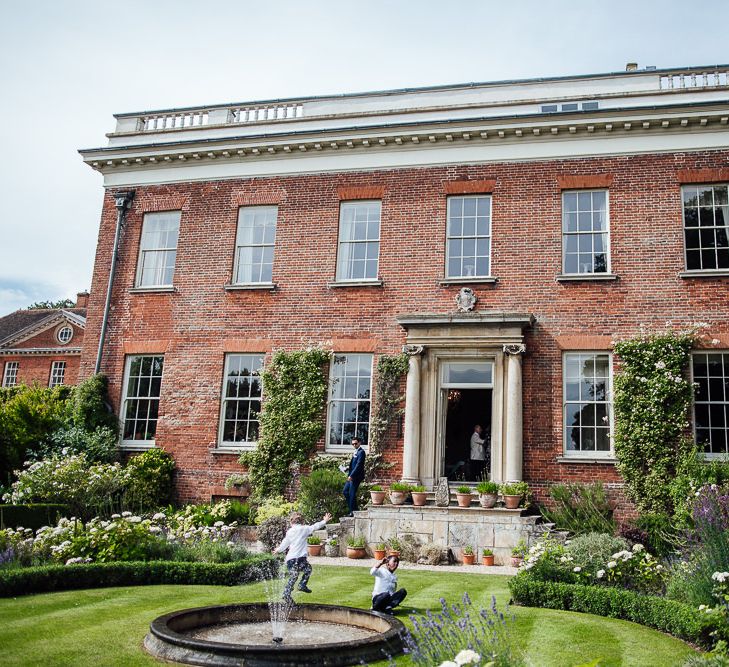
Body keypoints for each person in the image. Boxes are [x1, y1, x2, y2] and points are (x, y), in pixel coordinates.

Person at [274, 511, 332, 602]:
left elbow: (285, 543)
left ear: (291, 522)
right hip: (300, 558)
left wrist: (278, 550)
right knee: (308, 569)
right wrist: (324, 521)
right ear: (302, 522)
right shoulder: (304, 529)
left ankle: (286, 593)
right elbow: (315, 526)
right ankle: (302, 585)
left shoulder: (290, 531)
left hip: (290, 559)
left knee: (294, 575)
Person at [343, 436, 366, 516]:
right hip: (351, 475)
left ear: (359, 443)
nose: (354, 445)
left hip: (356, 477)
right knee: (345, 491)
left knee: (352, 493)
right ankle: (354, 510)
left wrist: (352, 475)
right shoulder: (356, 451)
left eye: (355, 444)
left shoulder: (361, 452)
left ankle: (352, 512)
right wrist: (347, 469)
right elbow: (353, 464)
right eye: (352, 444)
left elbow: (359, 465)